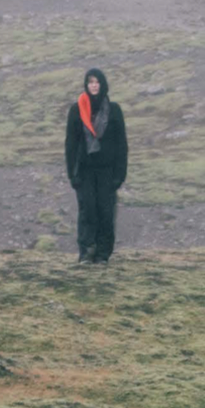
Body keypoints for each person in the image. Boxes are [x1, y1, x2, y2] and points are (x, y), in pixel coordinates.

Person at [65, 67, 128, 264]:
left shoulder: (114, 110)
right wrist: (72, 174)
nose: (94, 85)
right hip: (84, 171)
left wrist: (120, 175)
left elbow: (121, 144)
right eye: (91, 82)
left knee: (106, 212)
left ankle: (103, 254)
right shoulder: (76, 110)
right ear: (86, 85)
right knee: (87, 211)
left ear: (103, 84)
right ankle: (86, 251)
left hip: (107, 172)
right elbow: (71, 144)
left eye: (97, 82)